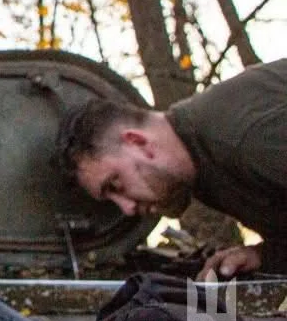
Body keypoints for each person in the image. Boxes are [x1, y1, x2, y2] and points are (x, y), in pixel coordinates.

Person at [56, 59, 287, 278]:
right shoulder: (198, 169)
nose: (127, 208)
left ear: (138, 143)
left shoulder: (244, 140)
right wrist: (264, 255)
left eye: (116, 184)